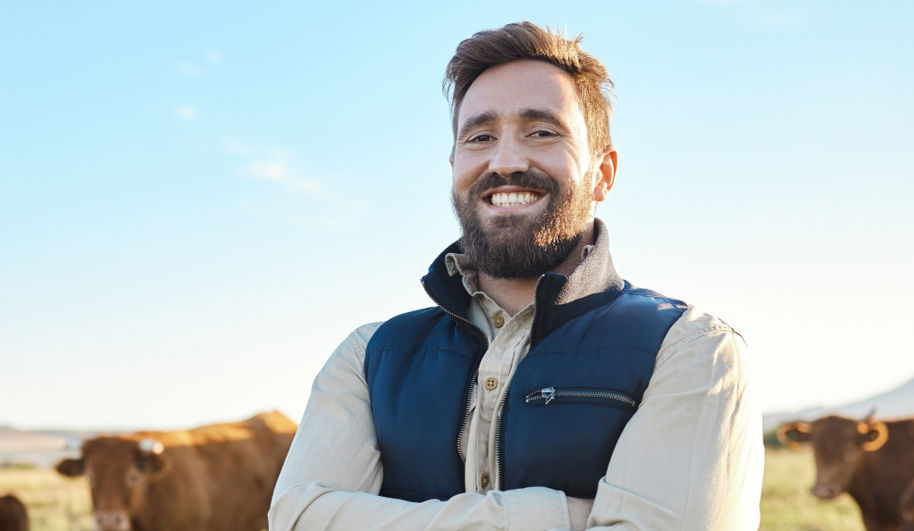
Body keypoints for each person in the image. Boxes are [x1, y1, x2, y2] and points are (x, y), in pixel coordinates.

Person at [269, 21, 763, 531]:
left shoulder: (691, 350)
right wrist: (565, 517)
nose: (505, 162)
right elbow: (296, 519)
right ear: (455, 164)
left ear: (603, 174)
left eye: (542, 132)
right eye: (480, 137)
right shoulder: (368, 357)